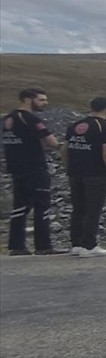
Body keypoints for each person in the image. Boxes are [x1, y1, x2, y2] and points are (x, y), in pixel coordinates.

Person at [3, 88, 65, 256]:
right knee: (42, 206)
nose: (45, 103)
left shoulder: (8, 118)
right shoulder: (31, 118)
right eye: (41, 100)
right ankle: (43, 246)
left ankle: (16, 246)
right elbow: (50, 141)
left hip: (16, 168)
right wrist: (63, 148)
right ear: (28, 99)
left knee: (20, 207)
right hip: (35, 168)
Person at [64, 97, 106, 258]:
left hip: (75, 173)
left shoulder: (74, 126)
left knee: (78, 208)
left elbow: (64, 149)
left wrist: (69, 166)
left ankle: (76, 244)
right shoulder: (105, 127)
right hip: (95, 174)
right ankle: (89, 246)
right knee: (92, 210)